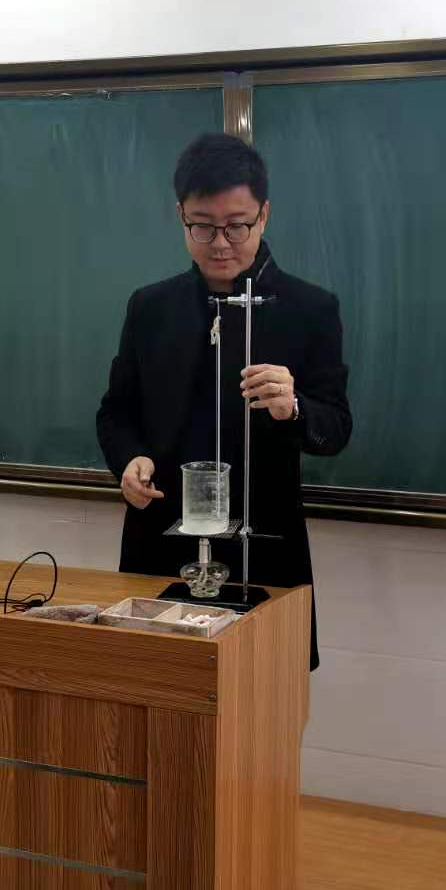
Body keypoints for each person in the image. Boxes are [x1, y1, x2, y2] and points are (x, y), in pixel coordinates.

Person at [97, 134, 352, 670]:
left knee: (263, 702)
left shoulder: (309, 309)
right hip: (159, 542)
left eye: (237, 226)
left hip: (266, 553)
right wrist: (128, 461)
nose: (220, 243)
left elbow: (336, 428)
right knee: (151, 692)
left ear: (264, 215)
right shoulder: (150, 308)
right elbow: (116, 413)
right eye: (203, 226)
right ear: (180, 216)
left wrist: (295, 407)